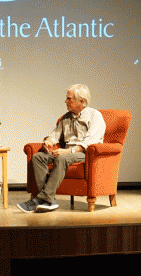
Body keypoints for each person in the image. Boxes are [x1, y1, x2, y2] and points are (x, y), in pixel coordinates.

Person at [17, 84, 106, 213]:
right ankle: (49, 200)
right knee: (38, 157)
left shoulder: (95, 116)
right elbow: (55, 135)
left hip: (86, 154)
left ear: (81, 101)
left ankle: (42, 199)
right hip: (66, 153)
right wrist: (48, 142)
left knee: (62, 158)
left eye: (69, 99)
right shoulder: (66, 117)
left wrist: (69, 151)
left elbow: (90, 141)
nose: (66, 101)